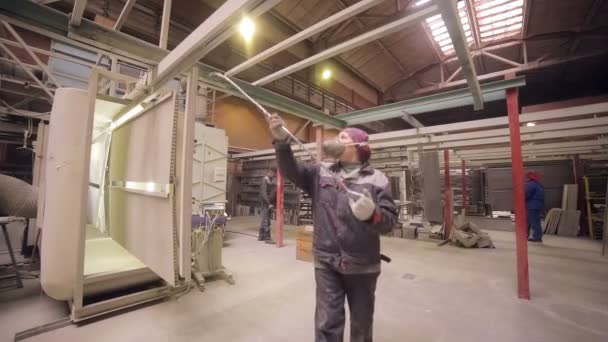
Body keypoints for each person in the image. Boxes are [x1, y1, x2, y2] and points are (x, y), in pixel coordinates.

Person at [268, 114, 397, 342]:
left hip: (362, 264)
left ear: (358, 146)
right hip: (327, 261)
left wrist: (372, 215)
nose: (336, 139)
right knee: (327, 322)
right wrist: (281, 143)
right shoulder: (321, 172)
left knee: (361, 324)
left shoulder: (378, 179)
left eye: (343, 137)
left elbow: (389, 223)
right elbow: (290, 171)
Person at [525, 170, 544, 242]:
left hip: (532, 206)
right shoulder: (538, 184)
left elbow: (526, 194)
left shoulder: (530, 184)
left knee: (533, 222)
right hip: (537, 206)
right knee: (534, 221)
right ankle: (536, 236)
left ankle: (537, 237)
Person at [259, 168, 276, 243]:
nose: (273, 175)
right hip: (266, 203)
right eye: (272, 173)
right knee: (266, 220)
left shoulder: (269, 180)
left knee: (264, 220)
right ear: (268, 172)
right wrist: (268, 204)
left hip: (268, 203)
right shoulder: (265, 180)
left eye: (274, 173)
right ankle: (267, 238)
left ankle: (261, 236)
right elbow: (264, 193)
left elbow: (270, 193)